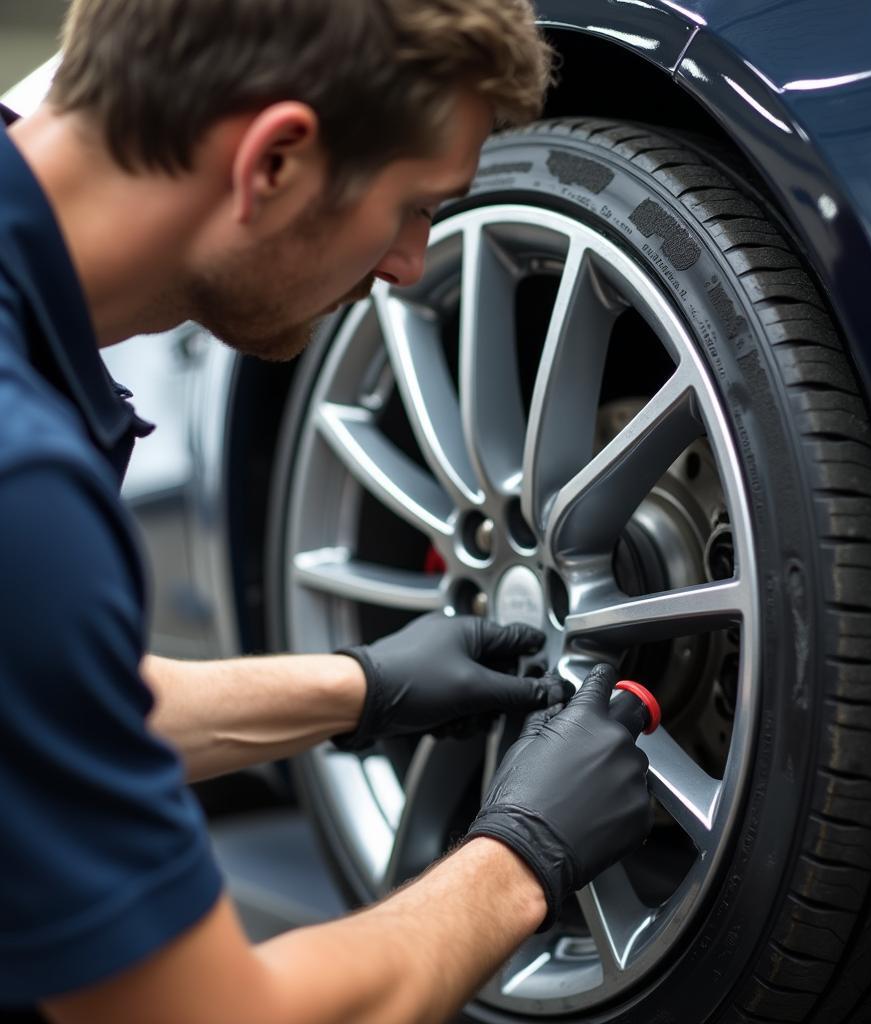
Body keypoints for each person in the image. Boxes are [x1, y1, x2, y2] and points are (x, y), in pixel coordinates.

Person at [0, 1, 655, 1022]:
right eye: (413, 204)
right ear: (275, 163)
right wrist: (520, 858)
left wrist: (364, 686)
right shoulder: (22, 494)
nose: (406, 264)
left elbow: (49, 707)